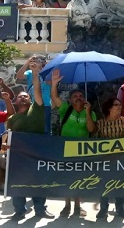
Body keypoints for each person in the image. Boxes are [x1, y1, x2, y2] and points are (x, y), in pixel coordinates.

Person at [7, 60, 55, 221]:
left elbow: (37, 90)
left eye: (26, 96)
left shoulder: (37, 109)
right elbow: (9, 136)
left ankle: (40, 209)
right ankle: (19, 210)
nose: (23, 98)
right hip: (19, 157)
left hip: (37, 153)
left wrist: (35, 73)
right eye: (20, 96)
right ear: (16, 101)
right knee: (18, 183)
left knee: (39, 182)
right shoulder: (12, 118)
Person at [50, 69, 96, 217]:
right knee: (66, 178)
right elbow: (54, 98)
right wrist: (55, 84)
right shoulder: (66, 109)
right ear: (70, 99)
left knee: (79, 179)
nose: (78, 98)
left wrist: (88, 112)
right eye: (75, 96)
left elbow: (91, 128)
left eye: (81, 96)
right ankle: (67, 205)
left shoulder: (90, 112)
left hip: (82, 150)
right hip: (65, 149)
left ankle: (78, 205)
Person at [94, 98, 124, 219]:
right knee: (103, 183)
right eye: (116, 105)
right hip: (104, 159)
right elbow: (95, 140)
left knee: (120, 183)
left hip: (120, 159)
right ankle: (103, 208)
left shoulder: (123, 121)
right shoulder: (100, 123)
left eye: (120, 104)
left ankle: (120, 208)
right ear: (109, 108)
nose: (119, 107)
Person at [16, 55, 53, 134]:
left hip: (45, 105)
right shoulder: (30, 73)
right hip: (31, 105)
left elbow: (49, 82)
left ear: (44, 63)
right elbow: (19, 76)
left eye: (38, 61)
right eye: (34, 61)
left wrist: (38, 70)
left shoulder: (49, 72)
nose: (35, 63)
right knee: (32, 127)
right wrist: (27, 63)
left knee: (45, 128)